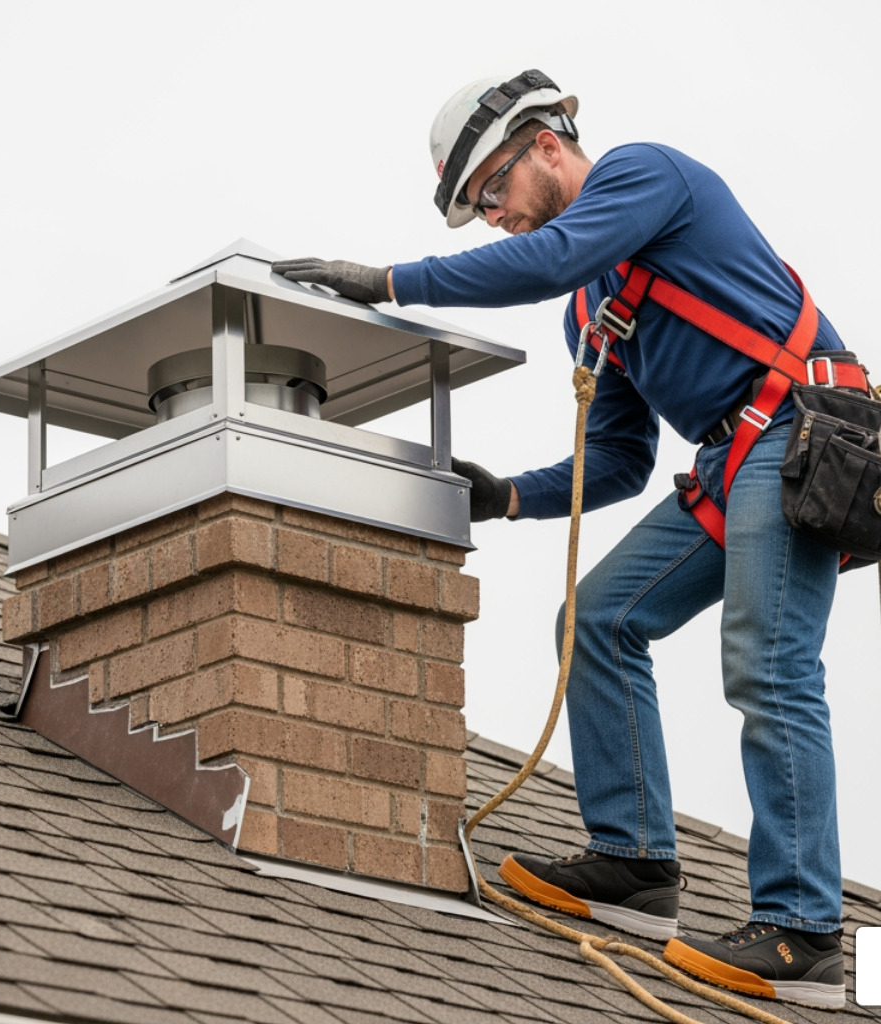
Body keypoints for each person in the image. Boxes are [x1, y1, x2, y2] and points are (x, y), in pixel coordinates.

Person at [273, 70, 851, 1010]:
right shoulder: (592, 308)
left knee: (767, 663)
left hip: (800, 439)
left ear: (546, 144)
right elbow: (618, 461)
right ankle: (634, 866)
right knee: (599, 619)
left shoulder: (647, 177)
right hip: (733, 464)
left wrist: (388, 283)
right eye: (476, 207)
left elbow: (543, 258)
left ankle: (802, 930)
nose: (492, 215)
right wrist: (507, 498)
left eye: (491, 190)